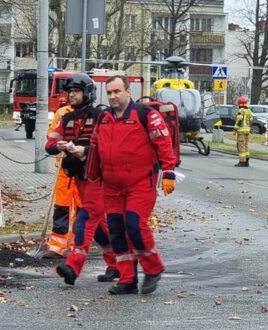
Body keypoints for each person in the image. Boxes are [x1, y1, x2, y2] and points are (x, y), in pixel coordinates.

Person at [87, 75, 177, 295]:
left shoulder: (146, 115)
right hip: (111, 186)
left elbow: (164, 143)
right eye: (109, 92)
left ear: (128, 92)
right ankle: (127, 279)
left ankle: (153, 268)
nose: (113, 96)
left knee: (135, 225)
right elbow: (95, 145)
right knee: (116, 231)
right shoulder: (104, 117)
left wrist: (168, 172)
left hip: (140, 183)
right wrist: (92, 173)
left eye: (117, 91)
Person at [45, 73, 119, 285]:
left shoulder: (100, 116)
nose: (72, 95)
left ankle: (72, 267)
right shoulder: (66, 118)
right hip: (78, 178)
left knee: (84, 221)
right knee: (99, 227)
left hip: (97, 178)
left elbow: (108, 145)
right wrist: (56, 146)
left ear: (87, 93)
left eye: (76, 91)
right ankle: (117, 264)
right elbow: (49, 144)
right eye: (70, 92)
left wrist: (84, 150)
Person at [41, 105, 80, 259]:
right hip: (64, 167)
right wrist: (59, 144)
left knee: (80, 207)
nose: (73, 94)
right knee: (61, 206)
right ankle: (57, 246)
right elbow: (51, 134)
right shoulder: (62, 113)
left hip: (83, 168)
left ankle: (77, 245)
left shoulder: (92, 114)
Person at [233, 96, 254, 167]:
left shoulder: (241, 110)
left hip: (241, 131)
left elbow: (239, 120)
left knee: (241, 146)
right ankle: (247, 161)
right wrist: (249, 128)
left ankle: (242, 161)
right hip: (247, 131)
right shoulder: (249, 110)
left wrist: (235, 129)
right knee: (246, 146)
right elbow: (251, 120)